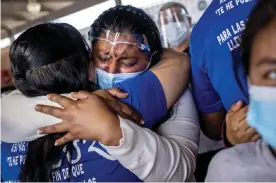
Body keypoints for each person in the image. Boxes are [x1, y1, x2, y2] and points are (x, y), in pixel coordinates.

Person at [2, 5, 198, 182]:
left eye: (127, 62)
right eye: (103, 58)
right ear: (87, 63)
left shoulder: (10, 125)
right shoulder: (122, 102)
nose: (111, 71)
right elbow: (180, 170)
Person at [206, 0, 276, 180]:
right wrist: (232, 135)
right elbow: (213, 127)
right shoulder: (230, 172)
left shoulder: (202, 33)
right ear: (250, 82)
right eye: (272, 74)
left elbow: (212, 126)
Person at [190, 0, 258, 147]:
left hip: (256, 142)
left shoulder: (201, 34)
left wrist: (231, 133)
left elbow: (213, 127)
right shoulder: (199, 36)